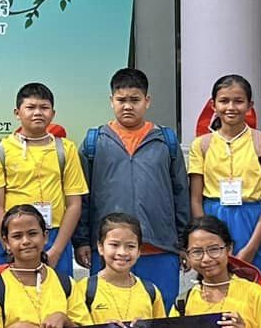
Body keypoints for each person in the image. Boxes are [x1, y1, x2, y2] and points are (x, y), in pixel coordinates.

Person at [78, 68, 189, 308]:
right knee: (109, 317)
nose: (128, 106)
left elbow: (181, 194)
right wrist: (82, 241)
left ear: (147, 101)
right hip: (110, 250)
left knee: (160, 316)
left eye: (135, 100)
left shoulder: (166, 141)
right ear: (111, 101)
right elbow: (83, 197)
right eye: (121, 100)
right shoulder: (94, 142)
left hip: (159, 248)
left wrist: (184, 242)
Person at [186, 74, 261, 293]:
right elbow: (195, 199)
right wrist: (205, 238)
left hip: (253, 220)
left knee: (255, 288)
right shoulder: (201, 145)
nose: (231, 107)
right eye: (224, 101)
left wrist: (252, 247)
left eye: (238, 101)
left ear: (250, 105)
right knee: (215, 287)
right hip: (213, 217)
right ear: (213, 105)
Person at [0, 83, 86, 274]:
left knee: (56, 291)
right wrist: (8, 244)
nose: (37, 113)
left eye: (44, 107)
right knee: (8, 291)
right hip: (13, 235)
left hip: (54, 235)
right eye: (30, 107)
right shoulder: (2, 149)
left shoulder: (66, 149)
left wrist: (57, 250)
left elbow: (74, 204)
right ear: (17, 113)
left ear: (53, 113)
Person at [0, 205, 79, 328]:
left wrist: (64, 319)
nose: (26, 241)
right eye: (17, 236)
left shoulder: (66, 283)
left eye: (32, 233)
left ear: (45, 237)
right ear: (6, 242)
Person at [75, 212, 167, 325]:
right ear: (100, 247)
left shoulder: (150, 291)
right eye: (114, 245)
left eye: (131, 246)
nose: (122, 252)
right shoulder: (84, 289)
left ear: (139, 251)